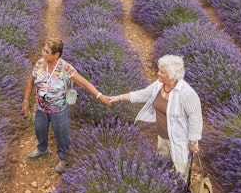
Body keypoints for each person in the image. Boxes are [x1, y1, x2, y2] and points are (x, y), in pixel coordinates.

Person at [22, 37, 110, 174]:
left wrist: (100, 96)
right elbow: (30, 83)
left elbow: (84, 83)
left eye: (47, 51)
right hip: (41, 107)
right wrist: (26, 101)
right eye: (43, 49)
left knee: (62, 135)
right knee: (39, 129)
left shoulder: (65, 68)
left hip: (59, 110)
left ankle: (64, 158)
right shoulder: (39, 64)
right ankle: (42, 148)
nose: (43, 53)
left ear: (56, 55)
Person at [108, 55, 202, 179]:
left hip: (180, 141)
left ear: (172, 75)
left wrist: (193, 141)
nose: (158, 73)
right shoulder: (159, 85)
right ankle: (165, 190)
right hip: (163, 137)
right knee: (163, 168)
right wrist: (118, 98)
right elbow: (143, 94)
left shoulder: (187, 94)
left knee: (180, 174)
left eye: (162, 72)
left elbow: (195, 118)